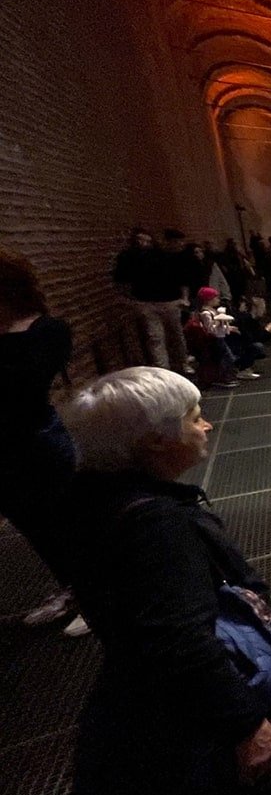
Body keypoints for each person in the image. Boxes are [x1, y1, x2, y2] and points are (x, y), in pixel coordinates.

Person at [61, 367, 271, 795]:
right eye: (194, 418)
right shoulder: (155, 527)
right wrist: (246, 725)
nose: (207, 425)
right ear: (153, 442)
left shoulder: (92, 500)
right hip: (214, 727)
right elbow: (178, 639)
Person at [0, 247, 88, 636]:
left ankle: (98, 595)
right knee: (35, 528)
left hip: (35, 440)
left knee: (66, 521)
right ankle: (73, 590)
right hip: (4, 446)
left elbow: (22, 388)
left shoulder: (45, 330)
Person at [113, 227, 193, 372]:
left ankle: (181, 362)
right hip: (146, 303)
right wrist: (130, 299)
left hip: (169, 301)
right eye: (140, 240)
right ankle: (163, 370)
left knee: (176, 335)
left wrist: (184, 298)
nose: (144, 243)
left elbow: (181, 278)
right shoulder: (128, 258)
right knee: (155, 338)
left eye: (147, 240)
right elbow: (121, 281)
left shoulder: (163, 256)